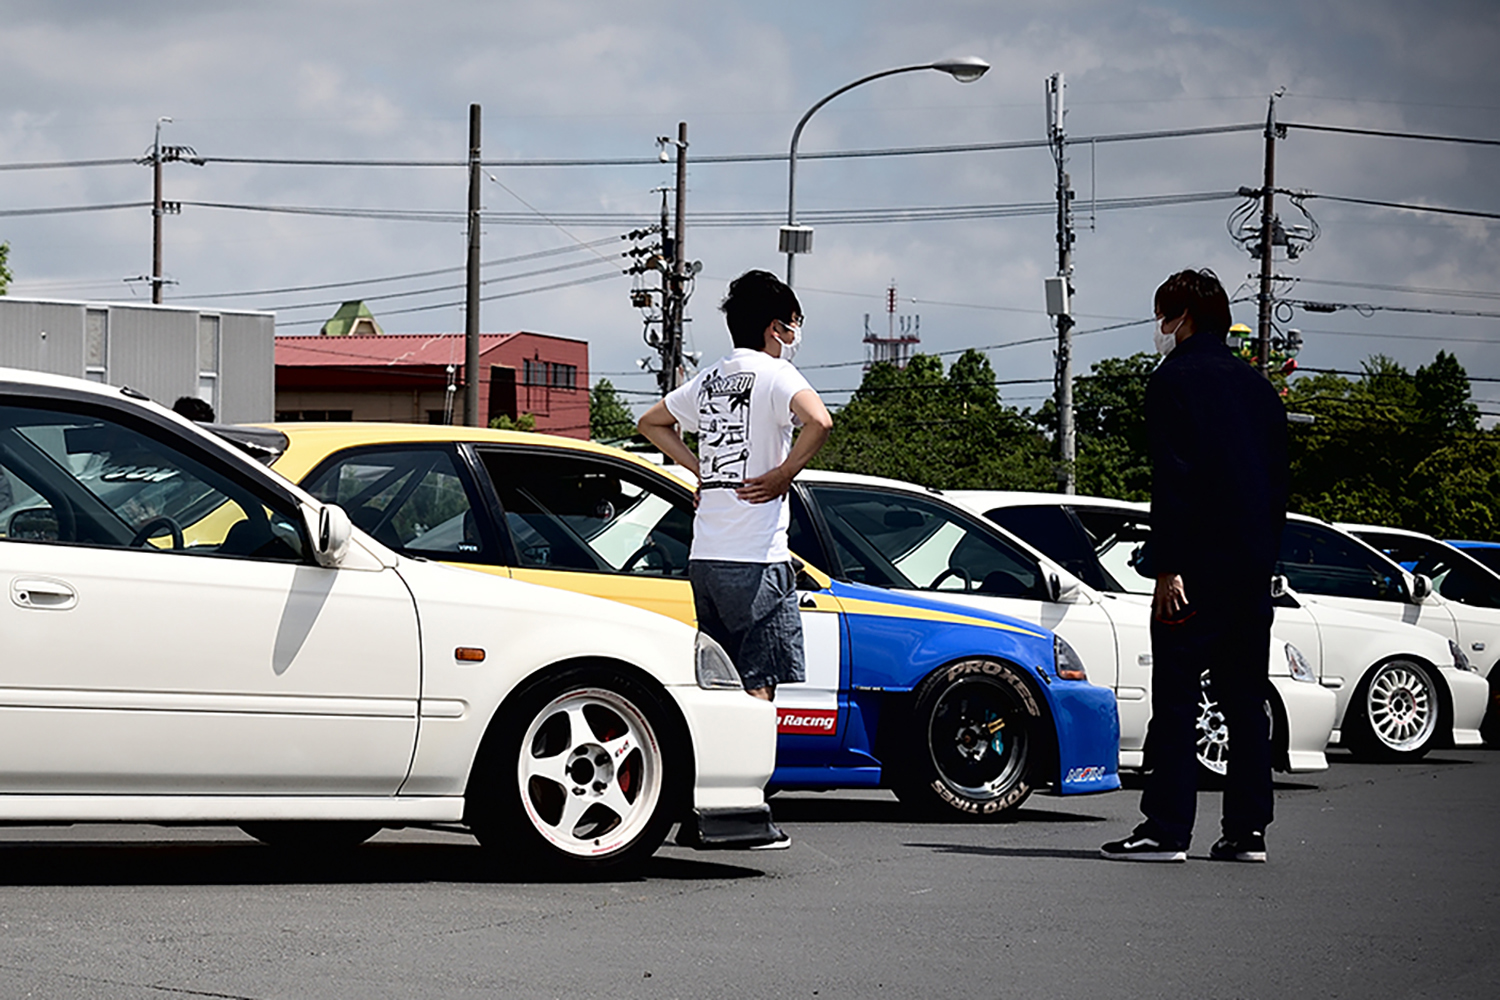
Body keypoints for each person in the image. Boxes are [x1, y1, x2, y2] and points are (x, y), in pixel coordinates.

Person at [1101, 268, 1288, 864]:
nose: (1160, 327)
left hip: (1195, 568)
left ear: (1181, 317)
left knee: (1179, 698)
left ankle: (1166, 829)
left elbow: (1175, 480)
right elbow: (1276, 484)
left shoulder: (1173, 380)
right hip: (1251, 569)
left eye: (1164, 315)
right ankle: (1247, 831)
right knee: (1244, 699)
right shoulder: (1259, 388)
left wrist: (1168, 566)